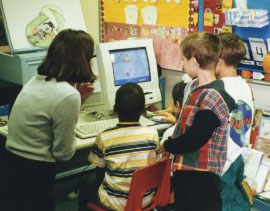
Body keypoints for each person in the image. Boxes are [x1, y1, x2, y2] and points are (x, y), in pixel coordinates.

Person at [0, 29, 96, 211]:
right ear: (83, 59)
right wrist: (76, 99)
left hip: (11, 166)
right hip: (34, 174)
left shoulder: (36, 80)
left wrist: (80, 99)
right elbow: (64, 153)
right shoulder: (67, 94)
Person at [156, 32, 235, 211]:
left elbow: (194, 139)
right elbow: (188, 121)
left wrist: (169, 145)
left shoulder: (212, 97)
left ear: (194, 62)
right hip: (188, 172)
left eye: (183, 60)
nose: (182, 64)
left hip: (202, 178)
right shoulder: (194, 86)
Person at [78, 83, 159, 211]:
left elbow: (100, 173)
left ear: (115, 108)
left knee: (86, 182)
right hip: (145, 201)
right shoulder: (153, 134)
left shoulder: (104, 137)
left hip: (115, 205)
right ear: (143, 109)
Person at [217, 33, 254, 211]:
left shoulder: (220, 88)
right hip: (239, 155)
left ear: (219, 59)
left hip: (225, 162)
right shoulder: (243, 85)